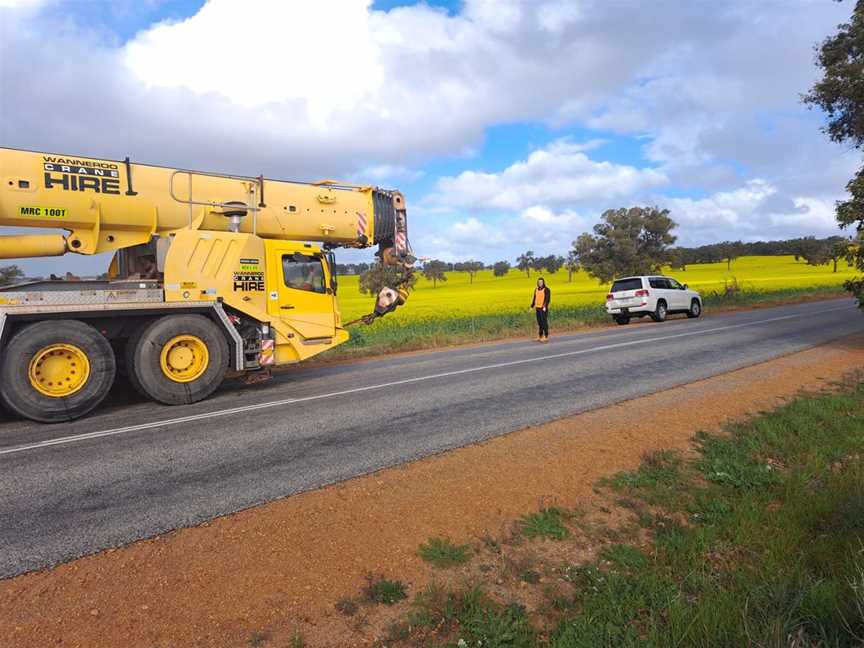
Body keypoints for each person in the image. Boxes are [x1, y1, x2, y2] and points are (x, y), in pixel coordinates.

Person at [530, 277, 551, 342]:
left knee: (544, 322)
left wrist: (545, 306)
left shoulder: (546, 289)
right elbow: (534, 298)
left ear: (543, 282)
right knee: (539, 323)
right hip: (537, 308)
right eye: (539, 282)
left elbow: (547, 299)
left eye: (541, 282)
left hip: (543, 308)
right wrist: (531, 307)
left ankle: (546, 336)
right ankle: (540, 336)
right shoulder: (536, 289)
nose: (540, 283)